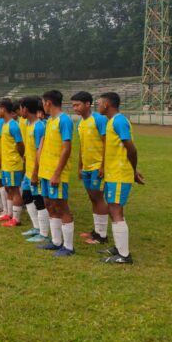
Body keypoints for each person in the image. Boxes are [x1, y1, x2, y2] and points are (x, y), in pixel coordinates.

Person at [97, 92, 144, 264]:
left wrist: (133, 171)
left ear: (107, 105)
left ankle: (124, 256)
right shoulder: (112, 121)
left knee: (116, 211)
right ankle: (118, 247)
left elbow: (131, 149)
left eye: (99, 103)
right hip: (112, 174)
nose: (98, 105)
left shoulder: (119, 121)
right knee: (113, 209)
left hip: (119, 174)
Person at [35, 90, 75, 257]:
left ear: (48, 103)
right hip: (45, 172)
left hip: (55, 173)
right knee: (50, 205)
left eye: (43, 102)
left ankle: (69, 247)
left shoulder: (64, 120)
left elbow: (66, 148)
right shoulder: (50, 121)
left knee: (61, 206)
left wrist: (57, 173)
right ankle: (56, 241)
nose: (43, 106)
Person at [71, 91, 109, 245]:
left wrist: (103, 165)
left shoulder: (99, 120)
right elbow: (82, 146)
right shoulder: (80, 122)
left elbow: (107, 142)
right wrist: (80, 166)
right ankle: (97, 231)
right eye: (73, 105)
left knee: (98, 198)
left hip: (97, 166)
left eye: (77, 104)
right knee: (92, 197)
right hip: (87, 167)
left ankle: (102, 236)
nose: (75, 108)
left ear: (88, 104)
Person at [21, 96, 48, 242]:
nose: (20, 111)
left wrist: (36, 173)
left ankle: (43, 233)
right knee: (26, 197)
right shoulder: (28, 124)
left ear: (25, 108)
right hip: (29, 170)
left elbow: (40, 151)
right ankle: (36, 227)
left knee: (39, 200)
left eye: (21, 108)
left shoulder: (39, 126)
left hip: (36, 171)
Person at [0, 99, 25, 227]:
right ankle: (9, 214)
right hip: (7, 163)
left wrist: (17, 156)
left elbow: (20, 144)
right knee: (9, 188)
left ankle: (16, 219)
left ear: (3, 109)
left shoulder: (13, 125)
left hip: (13, 163)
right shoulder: (5, 124)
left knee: (15, 190)